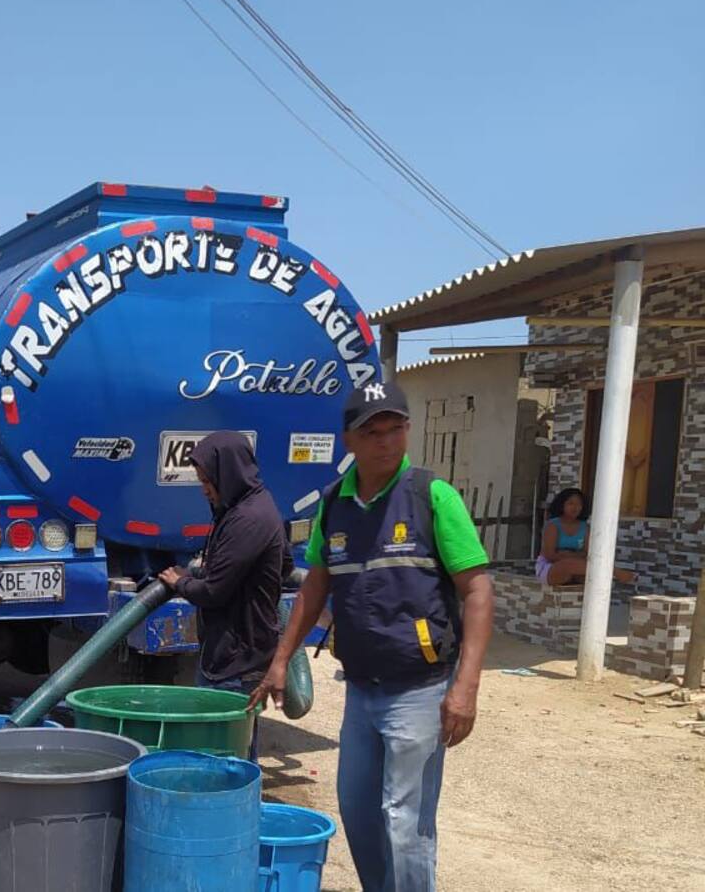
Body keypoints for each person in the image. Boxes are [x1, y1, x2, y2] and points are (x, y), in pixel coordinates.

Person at [250, 381, 495, 892]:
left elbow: (477, 589)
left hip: (419, 689)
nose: (386, 442)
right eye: (372, 432)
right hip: (361, 689)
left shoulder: (432, 496)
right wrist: (281, 658)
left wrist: (466, 685)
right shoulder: (333, 504)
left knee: (405, 825)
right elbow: (316, 584)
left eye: (395, 429)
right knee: (358, 812)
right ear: (349, 440)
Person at [158, 431, 292, 759]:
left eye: (208, 481)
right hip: (241, 652)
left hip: (235, 660)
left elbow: (214, 591)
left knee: (222, 760)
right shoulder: (250, 506)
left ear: (228, 473)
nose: (204, 488)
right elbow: (286, 565)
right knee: (238, 753)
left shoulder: (247, 519)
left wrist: (179, 582)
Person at [536, 487, 636, 586]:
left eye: (579, 504)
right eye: (571, 503)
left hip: (576, 568)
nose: (575, 507)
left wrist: (566, 554)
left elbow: (588, 554)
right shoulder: (553, 525)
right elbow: (550, 555)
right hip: (550, 568)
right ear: (562, 505)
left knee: (591, 576)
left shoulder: (585, 527)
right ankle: (614, 572)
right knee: (568, 564)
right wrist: (574, 556)